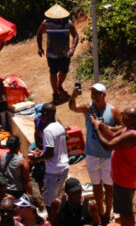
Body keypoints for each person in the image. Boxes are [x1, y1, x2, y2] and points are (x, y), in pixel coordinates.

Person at [70, 82, 115, 220]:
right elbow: (73, 107)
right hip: (91, 155)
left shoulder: (113, 111)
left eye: (97, 93)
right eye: (92, 92)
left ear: (104, 94)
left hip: (107, 156)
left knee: (108, 187)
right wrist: (73, 95)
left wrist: (105, 128)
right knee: (96, 186)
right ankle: (101, 211)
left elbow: (122, 127)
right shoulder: (88, 108)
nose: (94, 95)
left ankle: (108, 212)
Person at [93, 106, 136, 226]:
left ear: (129, 118)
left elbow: (108, 145)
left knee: (125, 212)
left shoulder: (132, 135)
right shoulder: (128, 128)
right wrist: (101, 125)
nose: (121, 115)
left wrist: (96, 129)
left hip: (125, 179)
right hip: (123, 177)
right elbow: (112, 133)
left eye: (124, 115)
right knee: (125, 210)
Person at [36, 6, 78, 104]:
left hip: (65, 54)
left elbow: (75, 36)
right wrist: (39, 47)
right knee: (53, 73)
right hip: (52, 54)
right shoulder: (46, 23)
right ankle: (55, 93)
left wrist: (72, 49)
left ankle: (59, 86)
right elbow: (39, 34)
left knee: (64, 72)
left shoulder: (68, 23)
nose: (56, 18)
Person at [36, 104, 70, 220]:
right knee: (58, 199)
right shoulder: (59, 126)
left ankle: (53, 222)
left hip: (53, 170)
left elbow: (49, 153)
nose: (41, 115)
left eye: (44, 113)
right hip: (64, 167)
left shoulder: (48, 131)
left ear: (50, 114)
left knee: (49, 203)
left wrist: (37, 158)